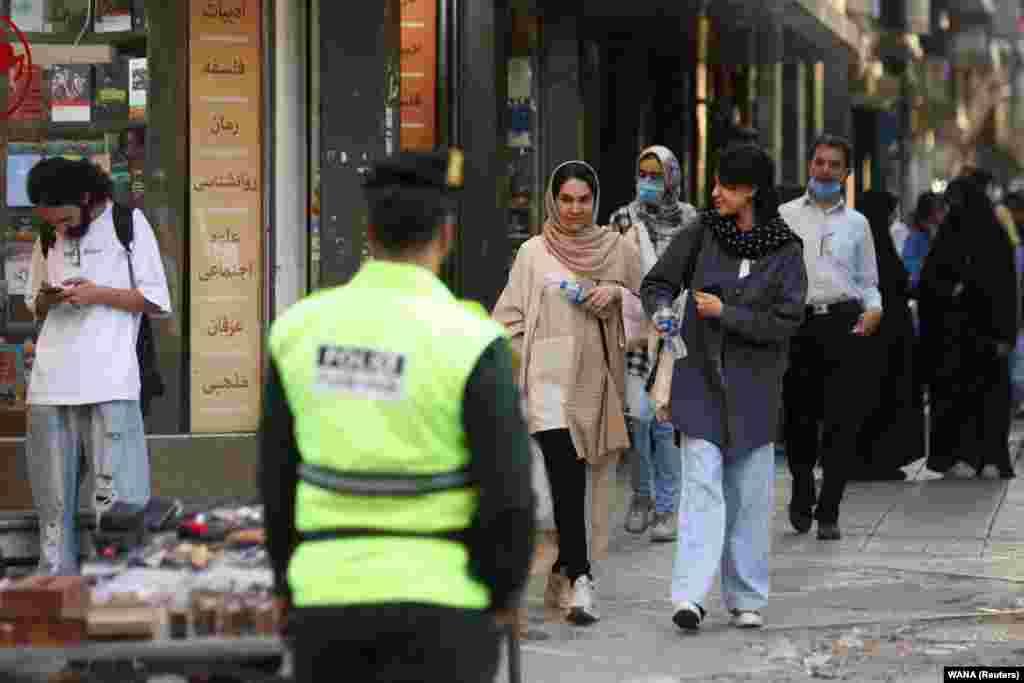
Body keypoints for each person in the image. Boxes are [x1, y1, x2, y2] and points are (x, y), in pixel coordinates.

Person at [261, 151, 536, 681]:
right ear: (447, 235)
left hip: (326, 600)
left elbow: (276, 481)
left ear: (369, 232)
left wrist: (284, 585)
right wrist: (504, 593)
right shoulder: (473, 340)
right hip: (446, 607)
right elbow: (508, 490)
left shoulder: (297, 330)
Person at [641, 143, 806, 632]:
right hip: (700, 385)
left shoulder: (785, 248)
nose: (714, 193)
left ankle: (746, 598)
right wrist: (665, 313)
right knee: (702, 490)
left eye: (725, 185)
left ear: (751, 190)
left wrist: (725, 314)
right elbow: (656, 284)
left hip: (756, 391)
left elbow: (787, 320)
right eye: (714, 183)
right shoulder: (700, 233)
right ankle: (689, 597)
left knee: (750, 496)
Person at [494, 160, 641, 626]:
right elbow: (508, 317)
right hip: (545, 381)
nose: (575, 209)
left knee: (586, 479)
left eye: (583, 200)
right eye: (566, 199)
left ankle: (564, 567)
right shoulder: (532, 253)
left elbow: (647, 309)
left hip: (595, 379)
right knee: (564, 471)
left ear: (595, 201)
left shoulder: (617, 250)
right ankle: (581, 578)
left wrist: (616, 297)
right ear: (552, 201)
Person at [24, 157, 171, 575]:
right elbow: (33, 302)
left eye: (68, 218)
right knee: (53, 507)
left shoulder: (129, 224)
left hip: (110, 380)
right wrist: (49, 299)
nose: (63, 228)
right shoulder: (48, 233)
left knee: (117, 500)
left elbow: (155, 300)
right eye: (54, 222)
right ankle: (56, 583)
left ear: (88, 200)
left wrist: (98, 294)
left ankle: (121, 583)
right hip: (50, 384)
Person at [780, 134, 883, 542]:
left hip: (843, 324)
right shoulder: (785, 216)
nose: (825, 170)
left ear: (846, 174)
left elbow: (868, 282)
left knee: (841, 419)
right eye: (819, 162)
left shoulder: (857, 225)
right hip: (797, 325)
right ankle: (802, 486)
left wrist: (874, 310)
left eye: (834, 165)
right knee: (798, 417)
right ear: (809, 165)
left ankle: (831, 509)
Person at [610, 145, 696, 542]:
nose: (647, 182)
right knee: (638, 419)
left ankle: (666, 508)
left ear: (672, 179)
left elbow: (697, 272)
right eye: (642, 174)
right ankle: (641, 495)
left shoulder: (691, 219)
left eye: (655, 176)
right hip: (635, 334)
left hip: (674, 331)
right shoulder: (622, 218)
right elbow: (610, 271)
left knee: (664, 423)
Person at [918, 175, 1018, 480]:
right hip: (973, 339)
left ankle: (972, 456)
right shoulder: (993, 237)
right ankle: (977, 456)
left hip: (964, 339)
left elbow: (930, 288)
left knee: (967, 398)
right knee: (977, 398)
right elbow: (1009, 293)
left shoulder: (958, 238)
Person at [852, 190, 924, 480]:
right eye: (890, 211)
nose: (894, 217)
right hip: (883, 335)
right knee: (881, 395)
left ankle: (869, 458)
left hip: (875, 333)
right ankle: (875, 459)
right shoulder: (875, 244)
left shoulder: (867, 240)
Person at [902, 191, 946, 290]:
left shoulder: (937, 233)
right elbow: (912, 269)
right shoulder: (916, 237)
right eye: (940, 210)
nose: (944, 214)